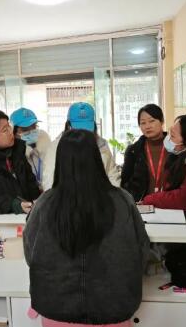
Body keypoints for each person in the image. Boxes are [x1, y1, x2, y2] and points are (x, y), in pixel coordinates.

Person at [24, 129, 150, 327]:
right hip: (113, 308)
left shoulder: (44, 203)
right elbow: (141, 251)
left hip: (56, 308)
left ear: (60, 160)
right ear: (96, 158)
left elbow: (30, 254)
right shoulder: (123, 200)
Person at [42, 102, 120, 191]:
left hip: (100, 197)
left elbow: (112, 176)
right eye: (78, 129)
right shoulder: (55, 147)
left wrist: (111, 196)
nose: (83, 133)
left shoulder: (102, 146)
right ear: (68, 126)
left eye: (87, 129)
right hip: (67, 197)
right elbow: (49, 181)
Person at [121, 103, 166, 201]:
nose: (147, 126)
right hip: (142, 204)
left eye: (151, 121)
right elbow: (125, 182)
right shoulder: (133, 151)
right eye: (143, 123)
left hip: (170, 204)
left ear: (162, 121)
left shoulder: (175, 147)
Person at [10, 106, 51, 187]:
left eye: (34, 127)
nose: (31, 131)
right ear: (13, 131)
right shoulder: (12, 154)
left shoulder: (43, 138)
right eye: (25, 129)